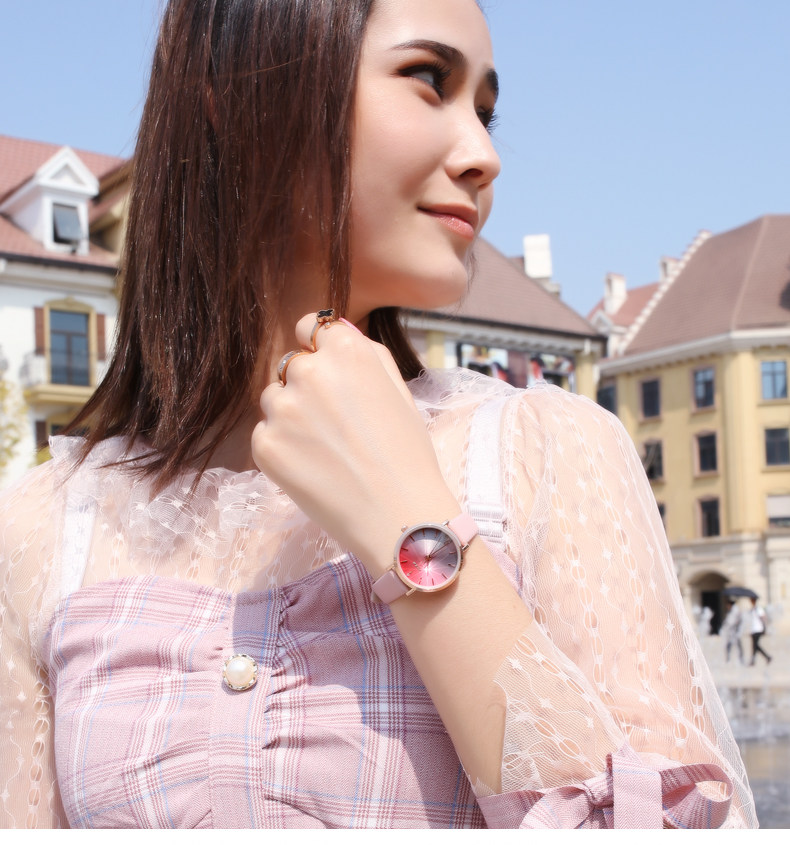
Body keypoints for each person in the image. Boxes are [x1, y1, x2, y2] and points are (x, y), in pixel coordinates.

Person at [0, 0, 756, 829]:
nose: (485, 156)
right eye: (428, 80)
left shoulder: (547, 449)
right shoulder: (43, 529)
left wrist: (410, 521)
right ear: (241, 97)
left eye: (486, 111)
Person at [748, 597, 772, 666]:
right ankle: (765, 658)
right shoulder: (752, 610)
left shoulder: (758, 609)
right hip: (753, 630)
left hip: (758, 629)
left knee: (755, 645)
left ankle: (765, 657)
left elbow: (763, 618)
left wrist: (764, 628)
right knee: (755, 646)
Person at [723, 599, 744, 664]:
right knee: (729, 645)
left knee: (738, 645)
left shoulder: (735, 610)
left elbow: (738, 620)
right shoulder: (730, 611)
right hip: (731, 631)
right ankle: (729, 658)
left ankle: (741, 659)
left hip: (735, 630)